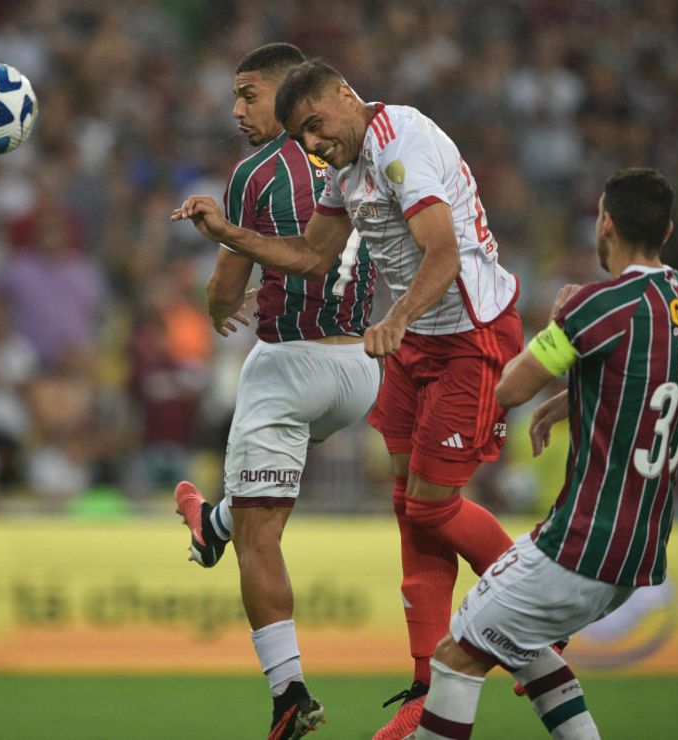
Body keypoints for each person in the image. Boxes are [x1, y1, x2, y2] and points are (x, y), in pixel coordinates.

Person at [173, 59, 522, 738]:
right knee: (407, 509)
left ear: (338, 96)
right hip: (388, 357)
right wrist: (227, 234)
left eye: (316, 124)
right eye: (302, 134)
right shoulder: (341, 165)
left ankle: (523, 615)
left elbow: (441, 254)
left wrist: (390, 320)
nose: (314, 142)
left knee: (395, 510)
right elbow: (311, 254)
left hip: (438, 338)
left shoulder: (383, 151)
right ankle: (426, 687)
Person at [413, 168, 678, 739]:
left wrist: (558, 320)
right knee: (523, 645)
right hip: (640, 551)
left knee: (456, 654)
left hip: (580, 543)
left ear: (606, 222)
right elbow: (653, 379)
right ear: (666, 231)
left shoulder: (598, 305)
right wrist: (575, 398)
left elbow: (510, 389)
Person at [172, 44, 379, 740]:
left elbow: (226, 286)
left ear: (290, 92)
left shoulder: (258, 171)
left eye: (249, 94)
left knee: (263, 536)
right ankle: (213, 524)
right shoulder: (364, 152)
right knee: (253, 505)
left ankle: (288, 695)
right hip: (362, 372)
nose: (237, 110)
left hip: (291, 366)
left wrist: (214, 305)